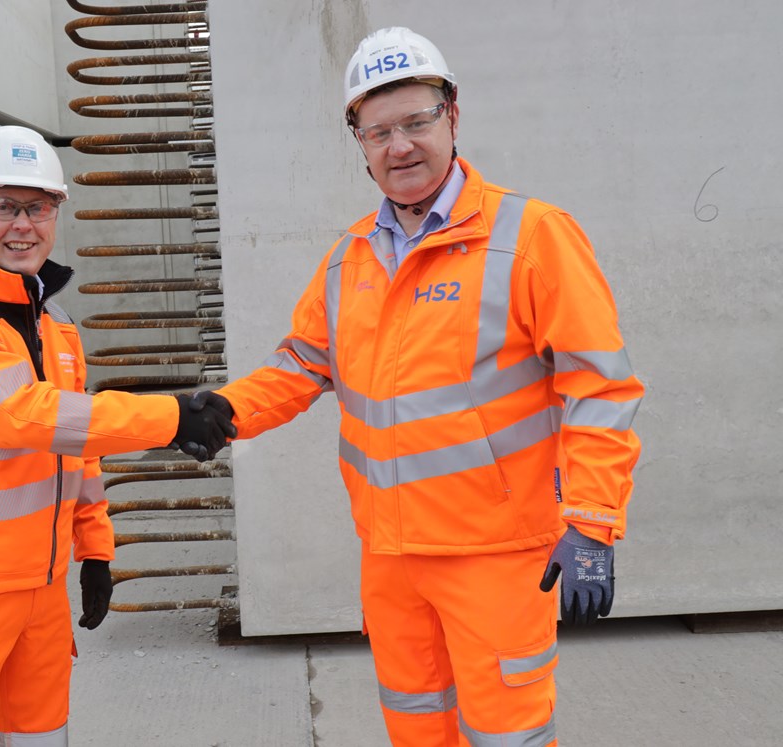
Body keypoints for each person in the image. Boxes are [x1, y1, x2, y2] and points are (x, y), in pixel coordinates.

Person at [190, 27, 644, 746]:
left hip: (494, 556)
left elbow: (601, 387)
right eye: (378, 131)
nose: (399, 146)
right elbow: (299, 366)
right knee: (415, 726)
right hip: (391, 557)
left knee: (507, 734)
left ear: (453, 116)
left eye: (416, 122)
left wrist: (591, 521)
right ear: (359, 143)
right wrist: (224, 410)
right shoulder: (349, 259)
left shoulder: (533, 236)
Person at [0, 125, 234, 747]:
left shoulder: (57, 325)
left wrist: (94, 545)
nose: (24, 225)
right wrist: (171, 417)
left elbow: (77, 440)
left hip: (42, 585)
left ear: (57, 214)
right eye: (3, 207)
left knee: (42, 734)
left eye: (39, 207)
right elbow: (20, 415)